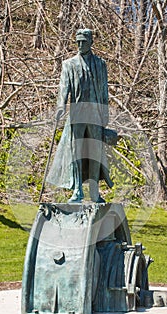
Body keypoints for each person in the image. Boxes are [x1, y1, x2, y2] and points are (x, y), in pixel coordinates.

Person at [46, 28, 113, 203]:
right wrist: (61, 105)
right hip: (77, 114)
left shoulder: (100, 64)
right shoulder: (69, 64)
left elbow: (105, 90)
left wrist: (105, 114)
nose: (80, 45)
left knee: (95, 151)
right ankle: (77, 190)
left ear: (91, 42)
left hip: (95, 114)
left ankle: (94, 191)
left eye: (84, 41)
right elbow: (63, 87)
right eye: (78, 41)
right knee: (75, 152)